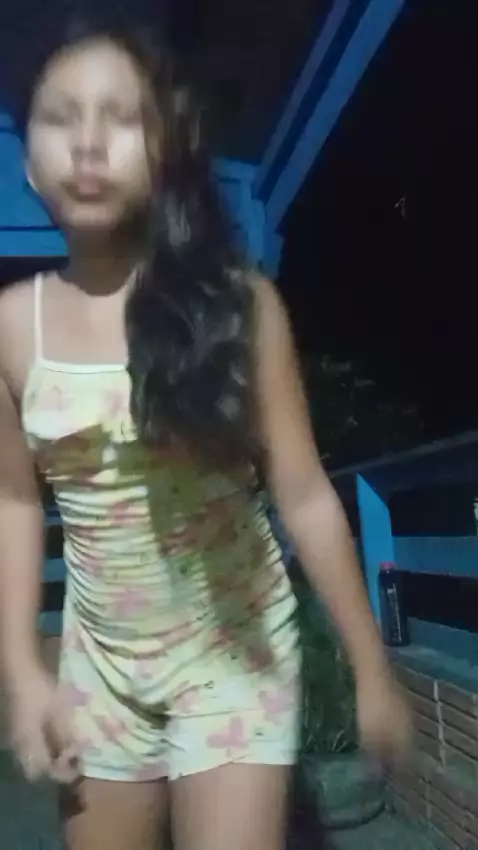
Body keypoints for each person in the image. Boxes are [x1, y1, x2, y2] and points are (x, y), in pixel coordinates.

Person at [0, 14, 412, 850]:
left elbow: (303, 493)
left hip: (235, 654)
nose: (88, 142)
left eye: (120, 117)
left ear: (163, 152)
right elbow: (14, 501)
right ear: (28, 160)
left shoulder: (238, 306)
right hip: (101, 668)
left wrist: (371, 667)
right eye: (60, 117)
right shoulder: (12, 327)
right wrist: (20, 671)